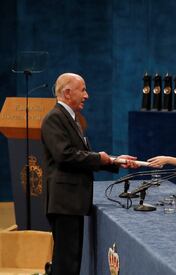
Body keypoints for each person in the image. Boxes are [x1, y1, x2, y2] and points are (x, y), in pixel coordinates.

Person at [41, 73, 138, 275]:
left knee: (71, 260)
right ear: (67, 93)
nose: (87, 95)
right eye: (83, 90)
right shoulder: (54, 118)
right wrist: (100, 159)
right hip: (64, 203)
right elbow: (65, 155)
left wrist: (114, 160)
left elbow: (83, 156)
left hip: (72, 202)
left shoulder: (71, 118)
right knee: (66, 263)